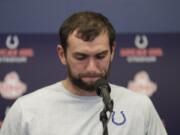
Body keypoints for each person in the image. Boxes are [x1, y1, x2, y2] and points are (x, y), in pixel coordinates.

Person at [0, 11, 167, 135]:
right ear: (62, 54)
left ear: (113, 51)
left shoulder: (140, 107)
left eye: (101, 56)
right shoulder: (26, 110)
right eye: (81, 57)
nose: (92, 67)